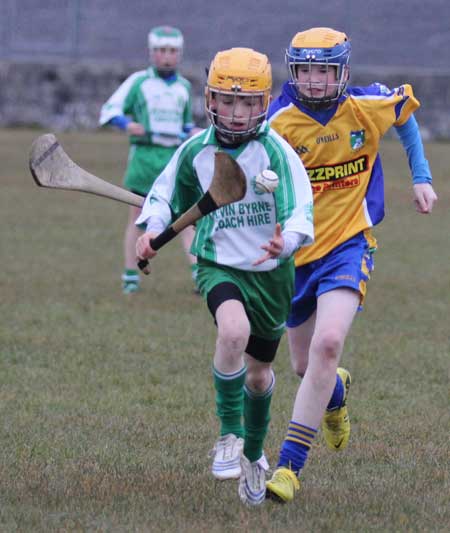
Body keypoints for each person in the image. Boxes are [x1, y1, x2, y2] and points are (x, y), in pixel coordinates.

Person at [265, 27, 438, 503]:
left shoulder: (365, 107)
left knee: (329, 342)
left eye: (325, 70)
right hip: (294, 254)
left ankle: (289, 467)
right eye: (306, 71)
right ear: (293, 71)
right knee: (305, 364)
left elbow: (405, 112)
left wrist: (420, 176)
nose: (316, 81)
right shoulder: (277, 122)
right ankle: (335, 395)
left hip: (348, 244)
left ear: (342, 72)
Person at [135, 47, 314, 505]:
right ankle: (229, 437)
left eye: (248, 103)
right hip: (218, 264)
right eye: (227, 101)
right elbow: (164, 197)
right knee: (232, 332)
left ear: (264, 103)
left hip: (271, 275)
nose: (237, 113)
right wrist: (152, 230)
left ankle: (254, 455)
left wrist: (287, 243)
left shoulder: (277, 151)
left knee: (258, 377)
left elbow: (300, 211)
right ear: (211, 100)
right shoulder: (196, 149)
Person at [99, 25, 198, 294]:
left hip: (174, 160)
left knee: (186, 218)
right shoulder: (139, 81)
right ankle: (131, 275)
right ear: (152, 53)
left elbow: (185, 124)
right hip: (144, 161)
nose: (167, 57)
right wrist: (126, 124)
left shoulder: (184, 87)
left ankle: (199, 274)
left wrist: (193, 132)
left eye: (172, 52)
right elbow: (110, 110)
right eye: (162, 51)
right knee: (138, 218)